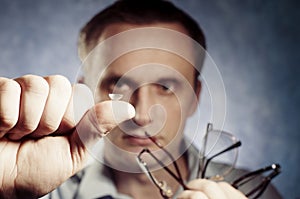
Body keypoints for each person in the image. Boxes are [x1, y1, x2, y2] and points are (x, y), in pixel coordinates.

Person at [0, 0, 282, 198]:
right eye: (118, 86)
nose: (143, 114)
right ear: (86, 94)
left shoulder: (254, 193)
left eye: (165, 87)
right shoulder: (37, 192)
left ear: (195, 97)